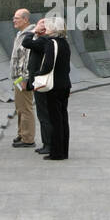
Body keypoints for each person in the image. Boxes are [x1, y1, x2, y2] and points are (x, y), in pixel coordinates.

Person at [39, 17, 71, 160]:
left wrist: (37, 75)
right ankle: (64, 151)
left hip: (54, 86)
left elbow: (47, 65)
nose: (46, 28)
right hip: (65, 84)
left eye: (48, 26)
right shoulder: (65, 43)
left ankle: (56, 152)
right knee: (63, 118)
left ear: (53, 28)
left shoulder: (51, 43)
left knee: (55, 119)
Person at [22, 19, 53, 155]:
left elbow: (26, 42)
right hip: (40, 81)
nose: (37, 26)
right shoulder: (46, 40)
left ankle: (48, 144)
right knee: (45, 113)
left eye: (40, 24)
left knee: (44, 114)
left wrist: (33, 31)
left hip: (41, 82)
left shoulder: (43, 40)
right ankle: (48, 143)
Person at [9, 8, 35, 149]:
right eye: (14, 17)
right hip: (18, 79)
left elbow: (27, 60)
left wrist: (25, 79)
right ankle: (22, 134)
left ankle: (28, 138)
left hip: (23, 79)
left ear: (25, 19)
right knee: (20, 108)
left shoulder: (29, 34)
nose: (14, 20)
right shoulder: (20, 34)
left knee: (26, 108)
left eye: (17, 18)